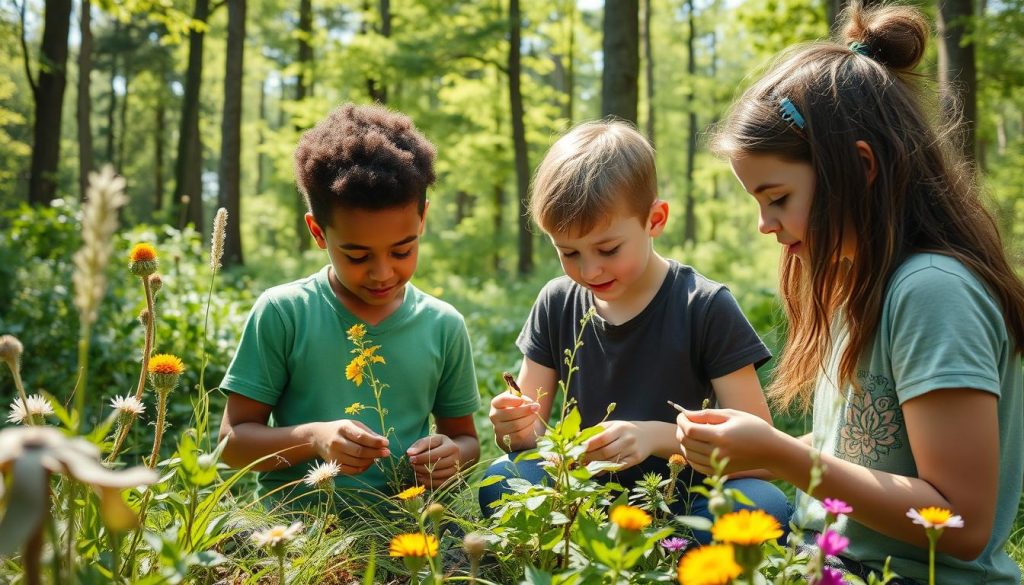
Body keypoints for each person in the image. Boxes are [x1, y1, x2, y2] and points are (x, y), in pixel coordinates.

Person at [676, 4, 1024, 584]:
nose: (765, 224)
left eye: (778, 197)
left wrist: (785, 456)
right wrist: (761, 450)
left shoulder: (931, 292)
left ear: (860, 167)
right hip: (834, 563)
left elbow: (961, 524)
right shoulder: (858, 280)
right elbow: (864, 445)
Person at [480, 120, 790, 541]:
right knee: (504, 476)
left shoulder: (704, 306)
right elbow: (531, 435)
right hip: (585, 499)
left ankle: (670, 552)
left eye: (608, 249)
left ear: (655, 219)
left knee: (762, 504)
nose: (589, 270)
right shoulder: (557, 302)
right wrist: (513, 427)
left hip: (688, 503)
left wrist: (657, 437)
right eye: (568, 252)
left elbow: (764, 456)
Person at [218, 104, 481, 510]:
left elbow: (466, 440)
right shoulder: (284, 313)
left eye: (402, 250)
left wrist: (451, 455)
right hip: (296, 535)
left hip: (407, 530)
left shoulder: (443, 324)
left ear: (423, 219)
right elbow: (232, 444)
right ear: (318, 232)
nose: (382, 273)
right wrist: (314, 438)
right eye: (357, 256)